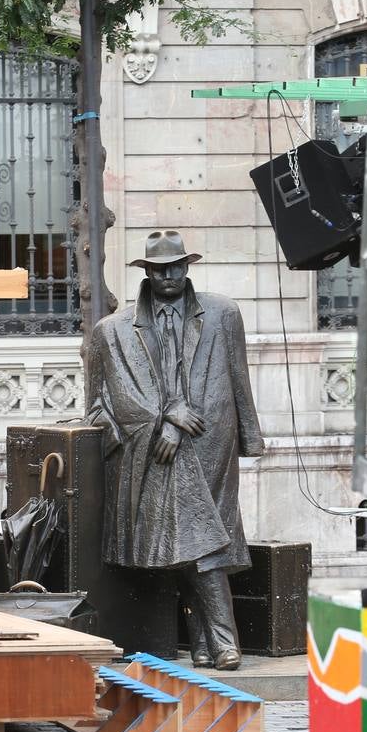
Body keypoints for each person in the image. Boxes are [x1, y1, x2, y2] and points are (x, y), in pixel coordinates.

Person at [86, 230, 264, 671]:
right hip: (154, 450)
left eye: (177, 266)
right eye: (159, 269)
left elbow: (238, 376)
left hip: (211, 442)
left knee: (205, 536)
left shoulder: (224, 313)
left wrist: (250, 438)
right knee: (197, 541)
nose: (169, 276)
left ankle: (209, 643)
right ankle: (220, 641)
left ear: (189, 267)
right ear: (146, 272)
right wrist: (165, 416)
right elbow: (97, 407)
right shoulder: (113, 331)